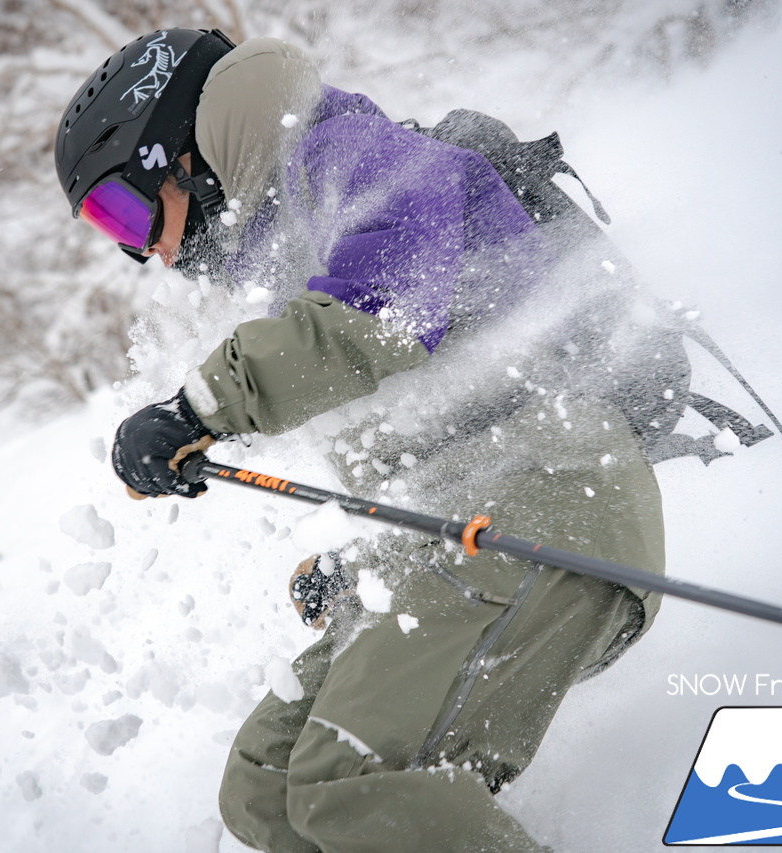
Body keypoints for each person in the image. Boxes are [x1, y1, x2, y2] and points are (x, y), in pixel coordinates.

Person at [54, 29, 665, 853]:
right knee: (265, 788)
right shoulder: (284, 244)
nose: (146, 252)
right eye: (109, 228)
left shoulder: (350, 153)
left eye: (125, 208)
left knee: (348, 785)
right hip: (468, 524)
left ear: (184, 156)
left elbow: (381, 317)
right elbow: (431, 426)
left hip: (554, 500)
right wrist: (363, 565)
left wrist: (200, 406)